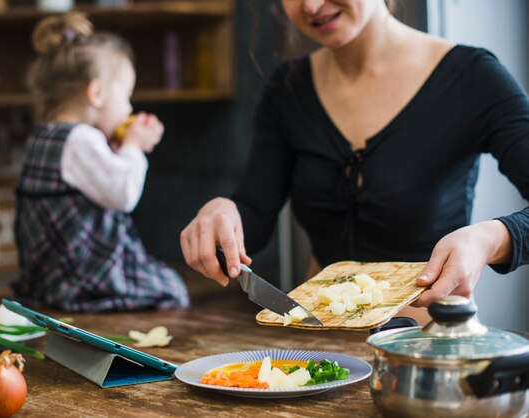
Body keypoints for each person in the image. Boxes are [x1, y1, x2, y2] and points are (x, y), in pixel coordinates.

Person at [180, 0, 529, 319]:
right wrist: (222, 214)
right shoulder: (287, 88)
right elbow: (255, 213)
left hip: (426, 352)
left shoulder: (473, 77)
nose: (312, 5)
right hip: (320, 352)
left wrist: (488, 239)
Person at [13, 12, 189, 312]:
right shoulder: (82, 138)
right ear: (96, 93)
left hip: (47, 278)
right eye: (126, 95)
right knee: (173, 287)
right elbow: (124, 195)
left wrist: (119, 150)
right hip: (86, 277)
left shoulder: (45, 135)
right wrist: (134, 146)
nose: (129, 107)